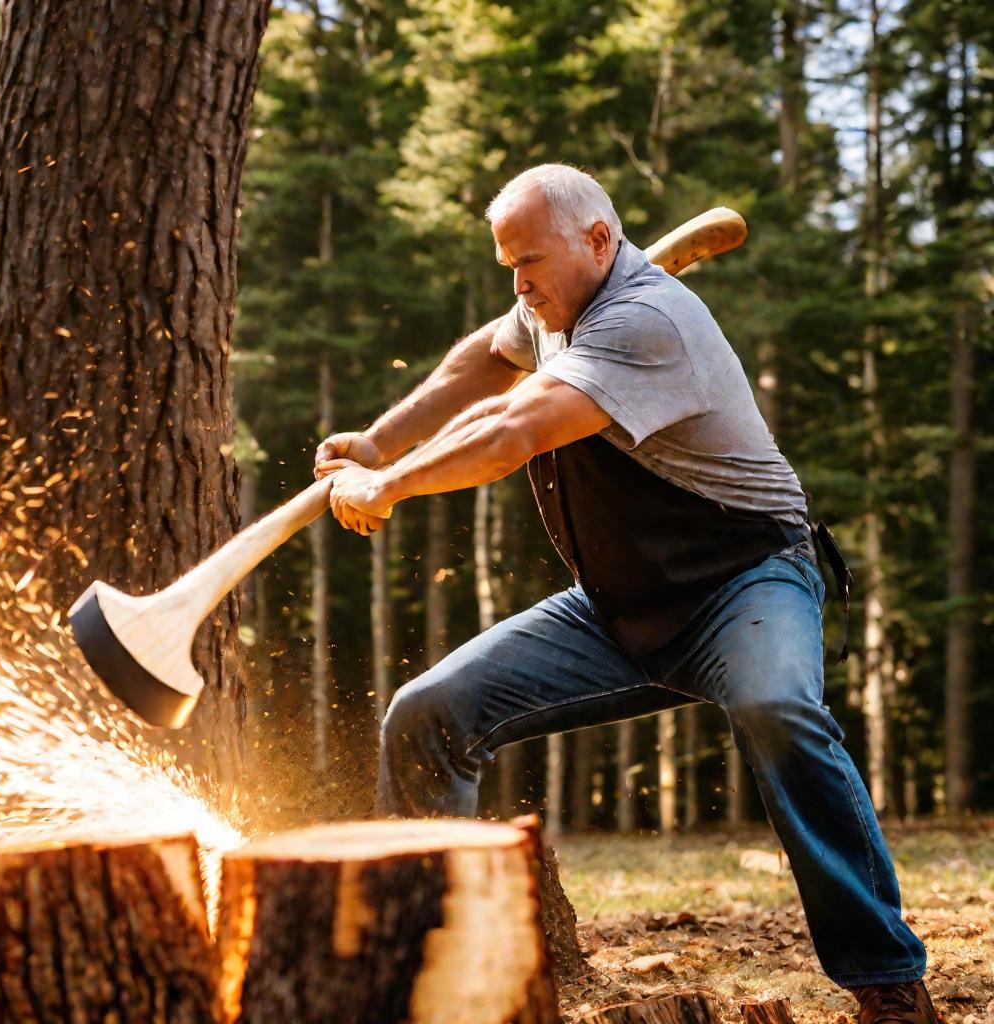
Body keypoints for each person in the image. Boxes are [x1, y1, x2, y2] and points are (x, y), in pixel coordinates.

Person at [313, 164, 936, 1024]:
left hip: (745, 580)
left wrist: (385, 489)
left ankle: (889, 982)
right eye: (509, 266)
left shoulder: (648, 322)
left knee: (774, 708)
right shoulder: (549, 309)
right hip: (617, 605)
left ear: (599, 241)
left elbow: (515, 428)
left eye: (530, 260)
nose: (520, 283)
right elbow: (481, 364)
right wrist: (382, 440)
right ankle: (428, 969)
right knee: (427, 715)